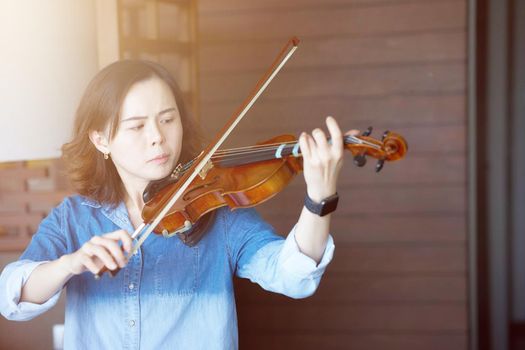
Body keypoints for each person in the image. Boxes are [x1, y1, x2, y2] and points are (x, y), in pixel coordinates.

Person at [0, 60, 350, 349]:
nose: (158, 137)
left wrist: (319, 199)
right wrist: (70, 263)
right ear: (101, 139)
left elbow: (292, 276)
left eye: (167, 119)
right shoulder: (73, 219)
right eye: (137, 126)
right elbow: (11, 298)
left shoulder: (219, 213)